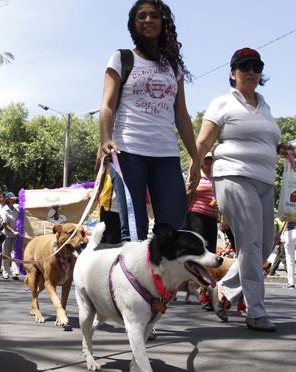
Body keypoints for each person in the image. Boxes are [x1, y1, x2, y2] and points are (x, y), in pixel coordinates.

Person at [194, 47, 291, 332]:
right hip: (233, 176)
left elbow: (262, 140)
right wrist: (190, 175)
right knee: (250, 243)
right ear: (232, 72)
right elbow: (202, 143)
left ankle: (223, 288)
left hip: (264, 180)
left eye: (256, 67)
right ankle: (256, 311)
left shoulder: (265, 106)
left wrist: (278, 148)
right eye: (244, 67)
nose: (251, 72)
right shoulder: (222, 103)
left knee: (263, 245)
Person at [97, 0, 200, 240]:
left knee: (172, 227)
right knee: (134, 229)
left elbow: (182, 116)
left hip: (166, 156)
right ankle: (133, 278)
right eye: (141, 16)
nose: (148, 20)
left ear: (163, 22)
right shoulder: (121, 58)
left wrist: (195, 157)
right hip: (127, 151)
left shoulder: (173, 67)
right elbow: (107, 105)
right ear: (133, 25)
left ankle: (161, 277)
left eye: (154, 15)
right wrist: (105, 139)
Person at [183, 151, 218, 253]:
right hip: (197, 213)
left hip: (212, 215)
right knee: (200, 245)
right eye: (205, 159)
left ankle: (208, 269)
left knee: (211, 248)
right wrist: (189, 189)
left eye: (210, 159)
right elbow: (186, 193)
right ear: (201, 162)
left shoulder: (216, 177)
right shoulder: (195, 175)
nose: (208, 162)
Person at [1, 192, 20, 280]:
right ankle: (5, 272)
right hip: (6, 235)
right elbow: (4, 224)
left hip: (15, 236)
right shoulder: (4, 210)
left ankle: (14, 272)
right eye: (12, 198)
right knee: (5, 254)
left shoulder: (16, 208)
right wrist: (13, 231)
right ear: (8, 200)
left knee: (14, 254)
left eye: (14, 198)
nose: (13, 199)